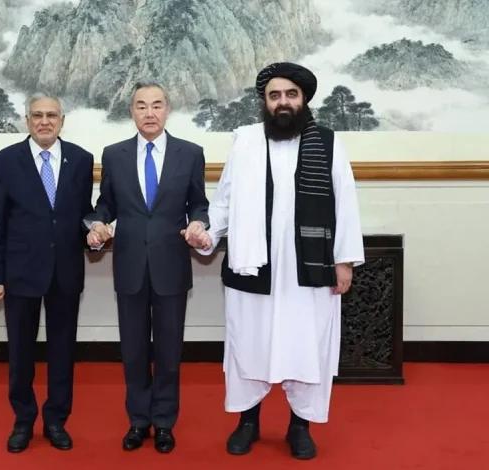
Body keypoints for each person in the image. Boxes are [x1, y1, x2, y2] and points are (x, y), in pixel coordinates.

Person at [191, 62, 365, 459]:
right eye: (274, 96)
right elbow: (225, 202)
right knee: (249, 342)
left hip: (309, 267)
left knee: (306, 345)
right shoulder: (246, 142)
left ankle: (299, 426)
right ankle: (247, 422)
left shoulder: (328, 143)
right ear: (265, 103)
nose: (282, 102)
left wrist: (344, 261)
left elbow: (345, 203)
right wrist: (207, 233)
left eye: (290, 94)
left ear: (303, 99)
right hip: (253, 264)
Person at [85, 81, 209, 453]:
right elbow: (105, 205)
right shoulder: (115, 154)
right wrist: (96, 225)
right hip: (130, 265)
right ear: (132, 112)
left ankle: (165, 422)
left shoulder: (190, 153)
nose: (149, 113)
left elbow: (198, 203)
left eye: (156, 105)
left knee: (169, 352)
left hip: (171, 264)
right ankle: (139, 421)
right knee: (134, 350)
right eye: (141, 106)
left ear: (168, 110)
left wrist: (199, 222)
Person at [0, 93, 95, 453]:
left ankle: (56, 420)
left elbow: (84, 213)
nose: (44, 121)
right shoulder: (5, 161)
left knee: (63, 351)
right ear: (27, 120)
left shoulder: (81, 159)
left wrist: (94, 231)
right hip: (20, 273)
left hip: (65, 271)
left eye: (51, 115)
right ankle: (23, 420)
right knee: (20, 353)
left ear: (62, 120)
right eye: (37, 115)